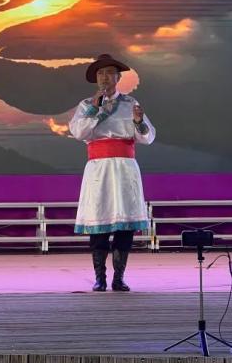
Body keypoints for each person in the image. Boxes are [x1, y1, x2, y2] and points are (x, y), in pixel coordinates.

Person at [68, 53, 156, 292]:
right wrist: (95, 110)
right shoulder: (86, 105)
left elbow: (147, 137)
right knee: (100, 220)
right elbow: (79, 132)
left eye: (109, 73)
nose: (104, 78)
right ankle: (100, 278)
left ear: (118, 78)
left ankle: (119, 277)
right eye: (100, 74)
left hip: (125, 168)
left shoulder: (130, 103)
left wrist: (138, 122)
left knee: (124, 225)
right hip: (99, 169)